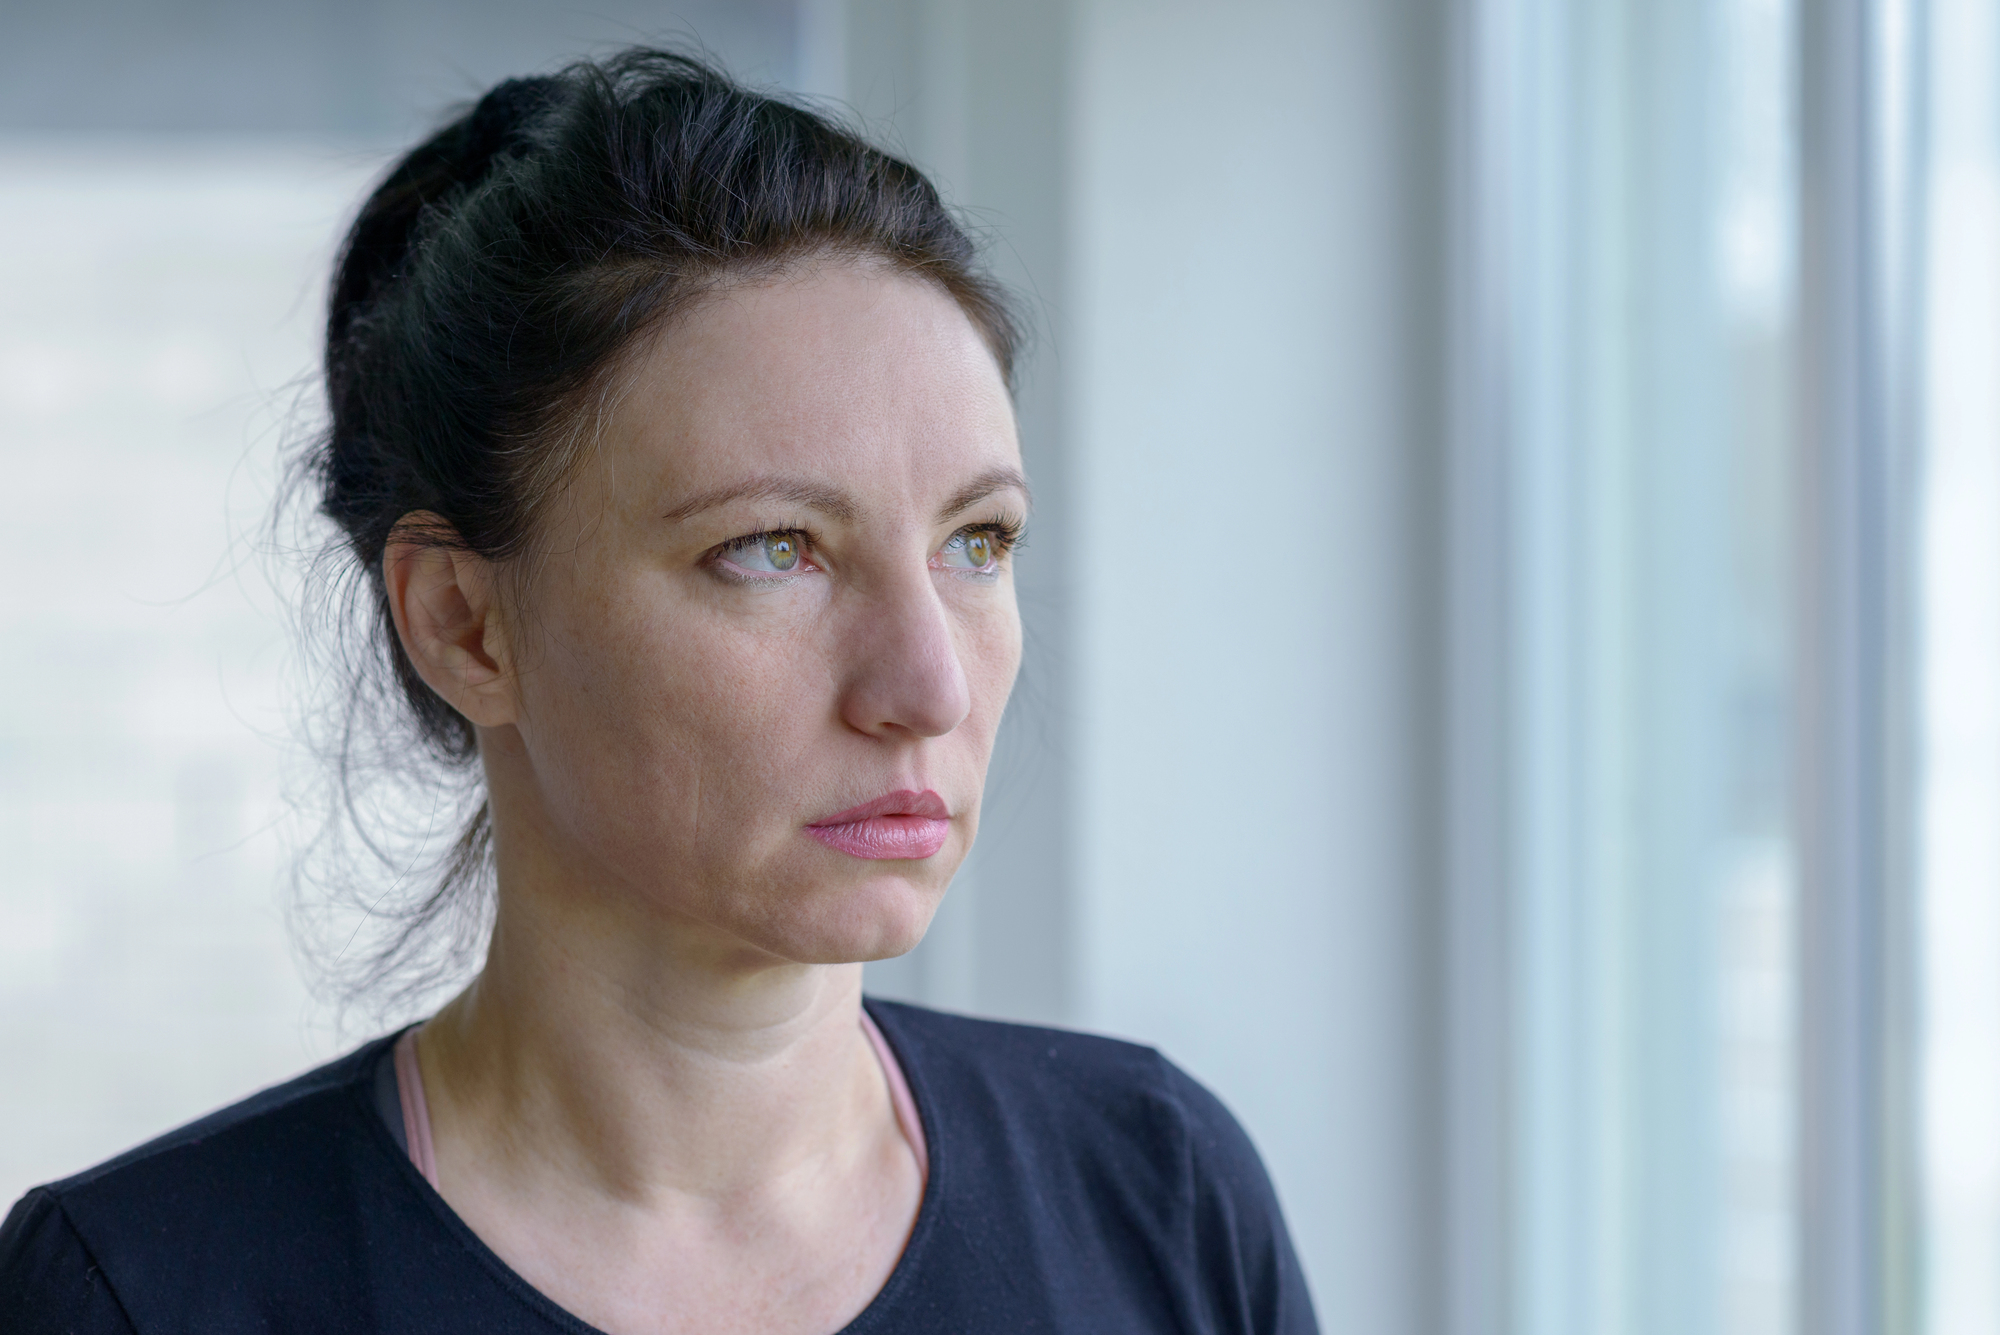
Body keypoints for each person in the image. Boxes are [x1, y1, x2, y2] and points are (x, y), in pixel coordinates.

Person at [0, 49, 1317, 1334]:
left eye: (977, 542)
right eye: (771, 550)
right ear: (465, 625)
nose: (927, 686)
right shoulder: (144, 1292)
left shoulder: (1159, 1193)